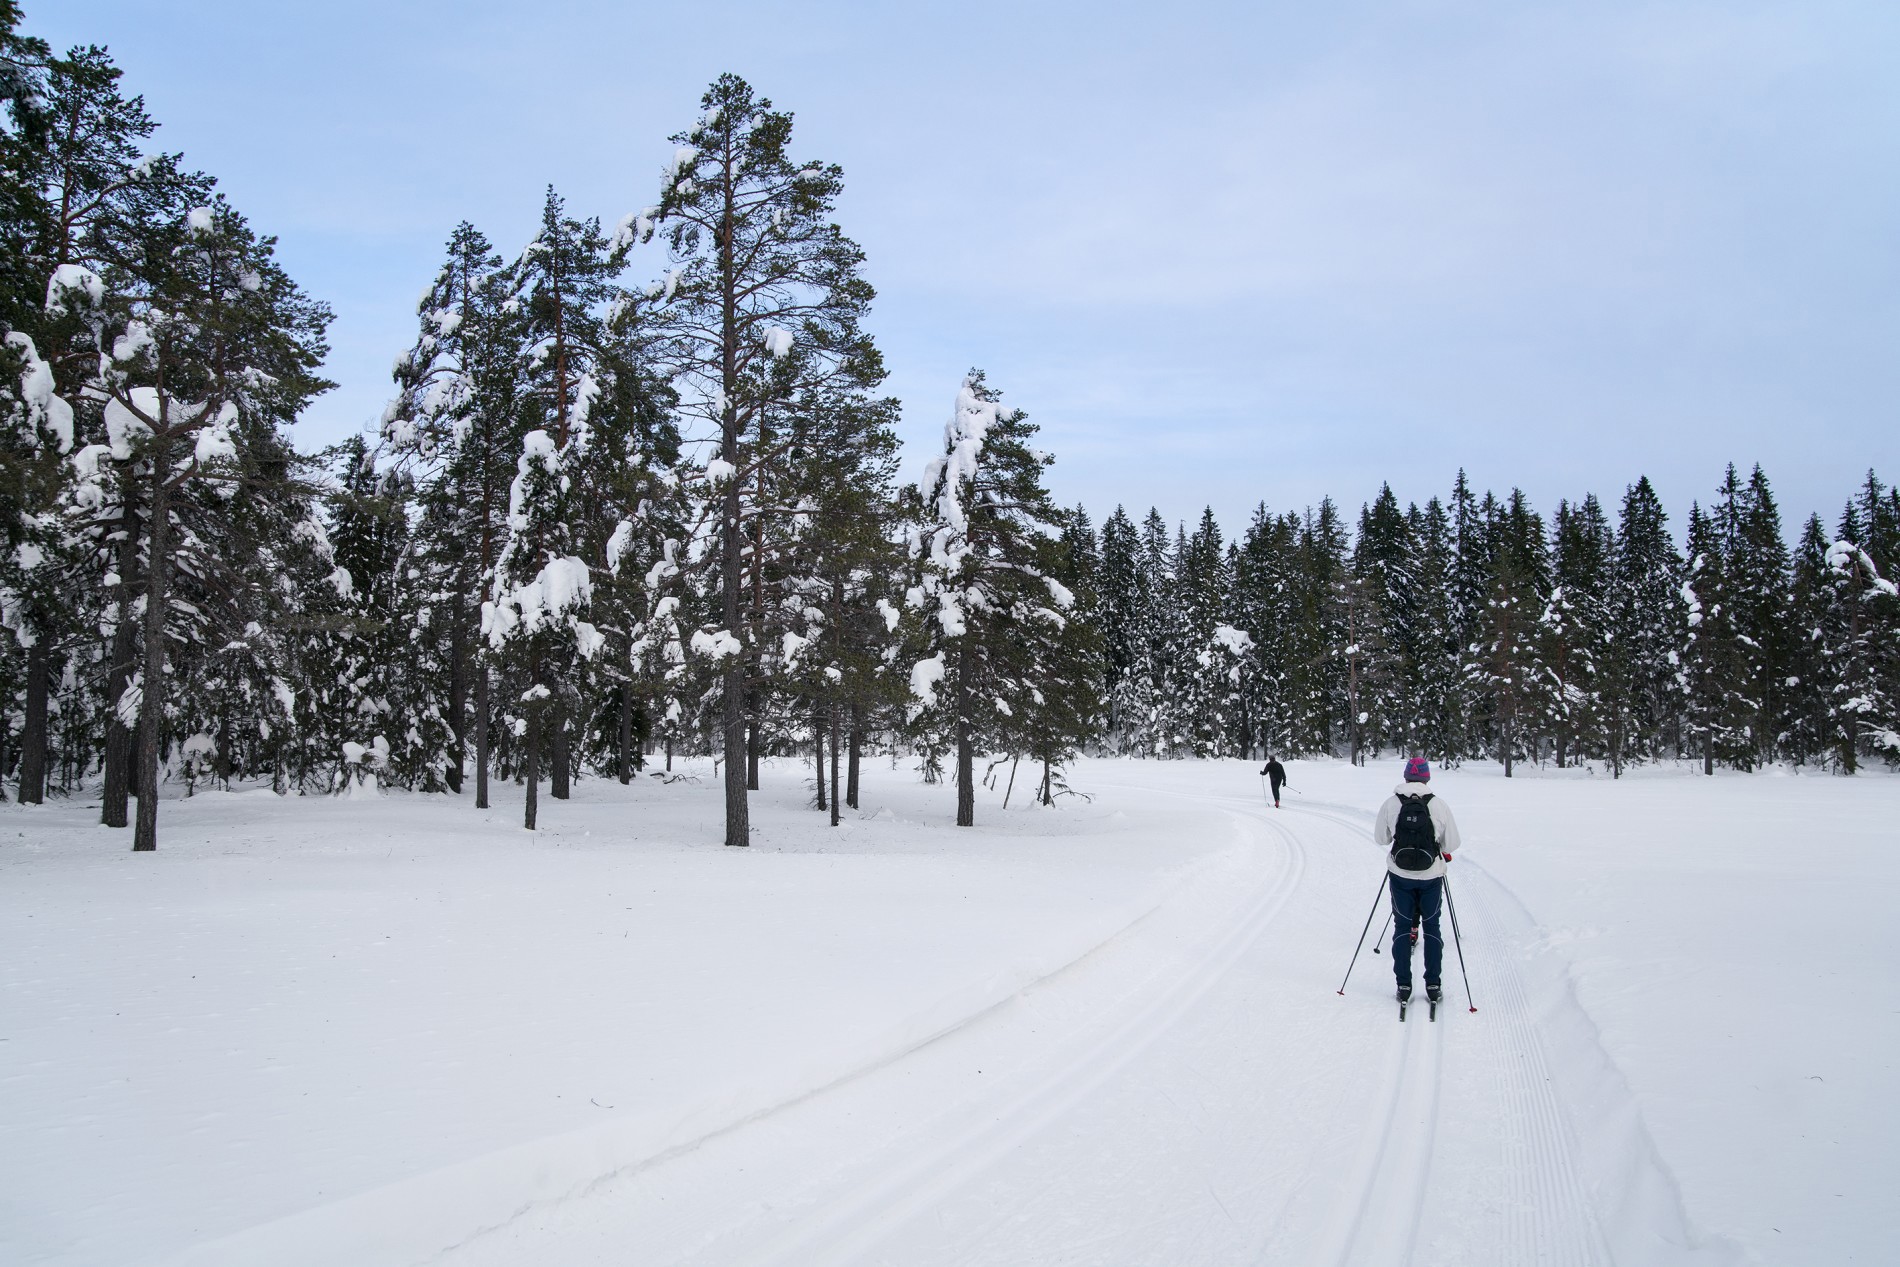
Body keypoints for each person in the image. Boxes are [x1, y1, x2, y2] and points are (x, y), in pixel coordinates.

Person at [1372, 756, 1461, 1004]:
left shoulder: (1392, 803)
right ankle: (1433, 984)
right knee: (1432, 927)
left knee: (1402, 927)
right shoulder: (1438, 805)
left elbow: (1381, 838)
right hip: (1431, 875)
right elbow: (1452, 843)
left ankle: (1403, 985)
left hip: (1400, 875)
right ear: (1427, 777)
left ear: (1405, 777)